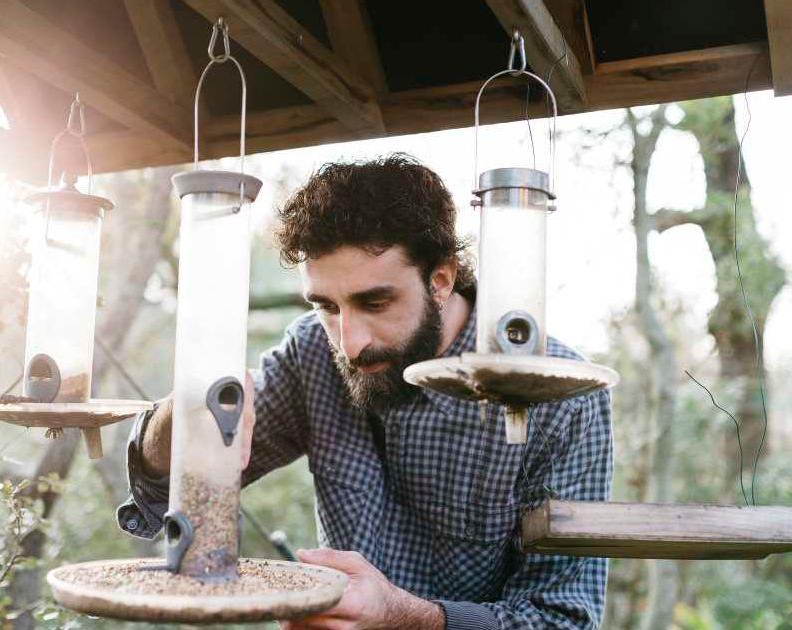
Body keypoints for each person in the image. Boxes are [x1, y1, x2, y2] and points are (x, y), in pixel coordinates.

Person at [116, 154, 613, 629]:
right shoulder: (314, 350)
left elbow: (560, 618)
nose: (350, 344)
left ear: (441, 279)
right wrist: (183, 411)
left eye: (374, 302)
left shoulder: (561, 395)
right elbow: (158, 494)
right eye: (327, 307)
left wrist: (404, 618)